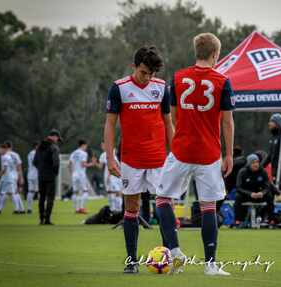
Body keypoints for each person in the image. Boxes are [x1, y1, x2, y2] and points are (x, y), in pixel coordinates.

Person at [155, 33, 235, 276]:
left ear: (196, 51)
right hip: (209, 153)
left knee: (162, 199)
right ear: (215, 54)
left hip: (181, 149)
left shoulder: (178, 78)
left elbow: (172, 117)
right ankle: (210, 265)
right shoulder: (223, 80)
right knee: (209, 206)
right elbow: (227, 122)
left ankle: (175, 252)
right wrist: (229, 154)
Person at [103, 46, 174, 274]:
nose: (148, 77)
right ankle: (131, 261)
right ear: (134, 67)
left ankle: (168, 257)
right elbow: (110, 124)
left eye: (151, 73)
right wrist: (110, 157)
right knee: (131, 208)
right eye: (144, 72)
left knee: (164, 207)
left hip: (158, 159)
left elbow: (168, 122)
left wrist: (175, 155)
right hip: (131, 159)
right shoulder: (119, 88)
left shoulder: (162, 87)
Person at [234, 154, 278, 226]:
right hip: (247, 195)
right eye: (253, 162)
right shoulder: (242, 172)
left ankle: (271, 219)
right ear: (249, 163)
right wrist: (250, 194)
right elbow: (238, 187)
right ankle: (238, 220)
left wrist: (262, 193)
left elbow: (267, 186)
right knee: (238, 196)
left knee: (269, 195)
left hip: (260, 195)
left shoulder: (263, 171)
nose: (256, 164)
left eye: (257, 162)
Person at [33, 129, 61, 225]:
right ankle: (47, 219)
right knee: (50, 197)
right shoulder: (54, 147)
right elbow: (56, 162)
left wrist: (41, 169)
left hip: (41, 175)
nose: (57, 140)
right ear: (54, 136)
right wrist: (55, 173)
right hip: (50, 175)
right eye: (57, 138)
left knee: (42, 197)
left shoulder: (39, 147)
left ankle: (41, 219)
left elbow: (34, 162)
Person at [0, 143, 20, 214]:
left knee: (4, 193)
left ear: (3, 149)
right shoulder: (5, 156)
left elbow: (4, 169)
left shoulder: (6, 157)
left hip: (7, 178)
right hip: (7, 178)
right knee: (7, 193)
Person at [69, 140, 95, 214]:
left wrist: (72, 173)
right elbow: (83, 164)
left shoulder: (73, 153)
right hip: (81, 174)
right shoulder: (83, 153)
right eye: (86, 146)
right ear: (83, 145)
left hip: (74, 174)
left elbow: (69, 164)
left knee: (75, 192)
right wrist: (92, 164)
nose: (86, 147)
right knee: (85, 191)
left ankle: (76, 209)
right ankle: (82, 208)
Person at [97, 142, 123, 212]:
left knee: (114, 192)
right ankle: (116, 209)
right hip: (118, 175)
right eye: (101, 145)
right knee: (115, 192)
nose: (102, 146)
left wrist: (109, 175)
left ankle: (116, 209)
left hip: (113, 176)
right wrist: (95, 163)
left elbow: (111, 165)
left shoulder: (107, 153)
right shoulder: (109, 153)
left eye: (103, 145)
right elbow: (101, 166)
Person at [4, 141, 26, 214]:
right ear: (11, 147)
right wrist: (21, 177)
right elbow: (19, 167)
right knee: (15, 192)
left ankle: (16, 209)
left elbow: (4, 168)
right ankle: (22, 209)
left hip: (9, 175)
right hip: (15, 174)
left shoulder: (5, 155)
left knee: (11, 193)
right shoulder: (16, 154)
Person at [27, 141, 39, 214]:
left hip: (30, 174)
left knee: (30, 191)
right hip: (37, 174)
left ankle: (29, 208)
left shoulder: (30, 153)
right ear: (36, 146)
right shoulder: (37, 153)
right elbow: (37, 163)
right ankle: (42, 208)